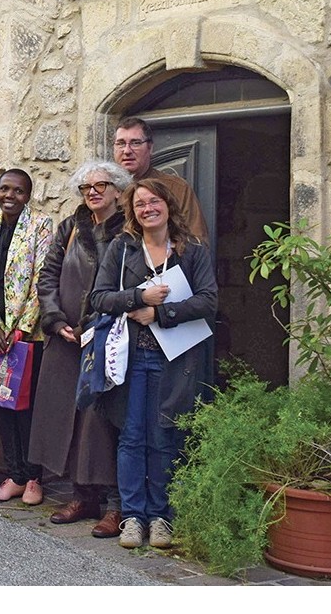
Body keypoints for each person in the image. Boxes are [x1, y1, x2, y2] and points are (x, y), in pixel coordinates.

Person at [90, 178, 217, 550]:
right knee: (131, 436)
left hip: (174, 358)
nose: (148, 209)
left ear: (168, 205)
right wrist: (138, 297)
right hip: (130, 357)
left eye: (154, 201)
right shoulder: (122, 248)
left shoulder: (192, 250)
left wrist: (161, 313)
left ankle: (161, 517)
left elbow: (208, 301)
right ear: (133, 212)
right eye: (140, 204)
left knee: (164, 436)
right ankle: (132, 517)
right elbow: (99, 297)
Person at [32, 160, 131, 538]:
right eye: (87, 187)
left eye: (101, 185)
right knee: (70, 418)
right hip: (67, 340)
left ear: (118, 191)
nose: (93, 192)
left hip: (109, 339)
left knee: (105, 422)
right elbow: (48, 276)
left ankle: (117, 505)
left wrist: (100, 325)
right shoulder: (71, 227)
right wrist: (55, 320)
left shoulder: (130, 229)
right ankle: (83, 496)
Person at [0, 168, 53, 506]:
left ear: (28, 195)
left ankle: (33, 477)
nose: (10, 196)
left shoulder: (41, 225)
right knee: (1, 402)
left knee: (27, 407)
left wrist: (20, 328)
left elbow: (41, 279)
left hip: (27, 334)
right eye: (5, 189)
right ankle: (15, 474)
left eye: (18, 191)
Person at [111, 116, 207, 242]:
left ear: (150, 148)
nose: (127, 150)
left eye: (135, 143)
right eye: (121, 143)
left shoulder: (176, 188)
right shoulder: (102, 189)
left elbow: (197, 241)